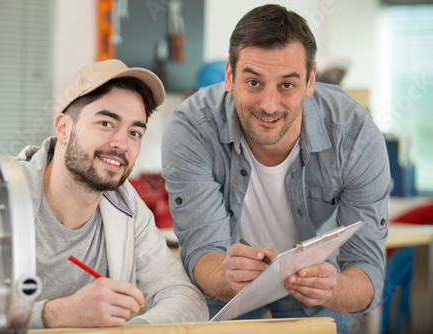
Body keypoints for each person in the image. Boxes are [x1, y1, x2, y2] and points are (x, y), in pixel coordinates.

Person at [161, 4, 390, 334]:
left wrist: (335, 288)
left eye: (287, 85)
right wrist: (226, 274)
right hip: (227, 278)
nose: (269, 105)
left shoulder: (354, 135)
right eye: (254, 82)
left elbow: (366, 272)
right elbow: (202, 253)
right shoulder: (192, 128)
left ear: (310, 81)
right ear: (229, 75)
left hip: (317, 280)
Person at [0, 59, 208, 333]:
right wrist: (54, 315)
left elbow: (186, 299)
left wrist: (130, 329)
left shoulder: (127, 205)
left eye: (134, 132)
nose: (122, 144)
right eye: (106, 123)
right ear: (64, 129)